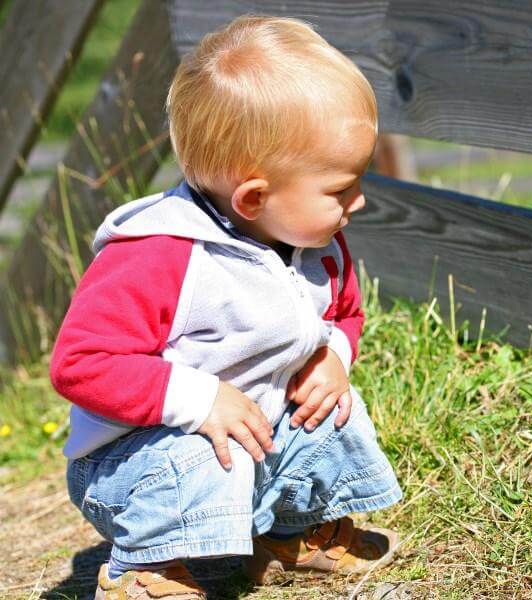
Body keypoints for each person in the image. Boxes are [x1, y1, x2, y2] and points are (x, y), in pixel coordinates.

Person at [49, 15, 402, 599]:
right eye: (341, 188)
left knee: (331, 407)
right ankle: (143, 566)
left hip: (253, 434)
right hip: (133, 463)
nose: (358, 200)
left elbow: (345, 313)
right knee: (197, 451)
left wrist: (333, 356)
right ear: (254, 197)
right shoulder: (160, 256)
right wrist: (200, 399)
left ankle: (288, 534)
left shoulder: (315, 244)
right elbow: (80, 363)